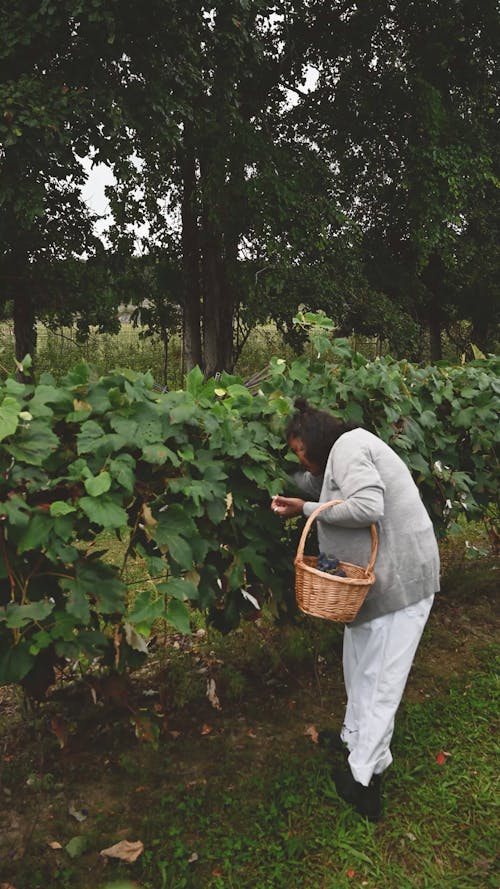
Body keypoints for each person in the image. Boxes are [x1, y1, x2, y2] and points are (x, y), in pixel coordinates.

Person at [271, 398, 440, 821]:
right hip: (374, 584)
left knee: (381, 679)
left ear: (314, 441)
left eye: (299, 450)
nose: (300, 458)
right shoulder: (339, 457)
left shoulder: (348, 449)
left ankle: (364, 783)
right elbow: (323, 489)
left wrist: (307, 510)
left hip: (402, 582)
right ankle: (355, 742)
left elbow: (367, 506)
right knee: (358, 665)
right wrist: (287, 487)